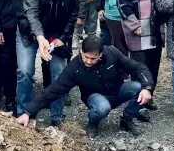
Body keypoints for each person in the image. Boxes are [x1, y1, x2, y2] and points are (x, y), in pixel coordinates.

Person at [17, 35, 153, 137]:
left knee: (137, 87)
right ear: (81, 52)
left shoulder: (112, 53)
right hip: (95, 97)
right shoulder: (75, 67)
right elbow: (54, 90)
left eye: (93, 58)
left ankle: (127, 120)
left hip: (118, 91)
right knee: (102, 107)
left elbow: (137, 67)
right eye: (85, 57)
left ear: (101, 54)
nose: (88, 61)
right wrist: (28, 112)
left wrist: (147, 87)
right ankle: (93, 123)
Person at [16, 0, 80, 125]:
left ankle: (57, 115)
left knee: (58, 73)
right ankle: (24, 112)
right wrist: (40, 37)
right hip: (29, 31)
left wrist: (63, 38)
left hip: (56, 32)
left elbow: (74, 12)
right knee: (25, 71)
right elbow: (32, 13)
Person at [117, 0, 164, 111]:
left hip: (155, 27)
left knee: (154, 64)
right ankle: (137, 105)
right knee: (140, 67)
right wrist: (133, 24)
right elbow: (123, 3)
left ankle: (149, 96)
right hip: (138, 29)